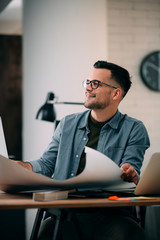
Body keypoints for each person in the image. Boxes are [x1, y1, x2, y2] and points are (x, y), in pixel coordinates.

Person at [17, 60, 150, 240]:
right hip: (64, 214)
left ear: (116, 93)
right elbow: (47, 163)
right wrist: (22, 167)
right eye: (87, 82)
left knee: (131, 234)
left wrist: (129, 172)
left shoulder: (134, 128)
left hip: (112, 216)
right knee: (45, 232)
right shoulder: (67, 124)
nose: (88, 88)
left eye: (95, 83)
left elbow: (131, 166)